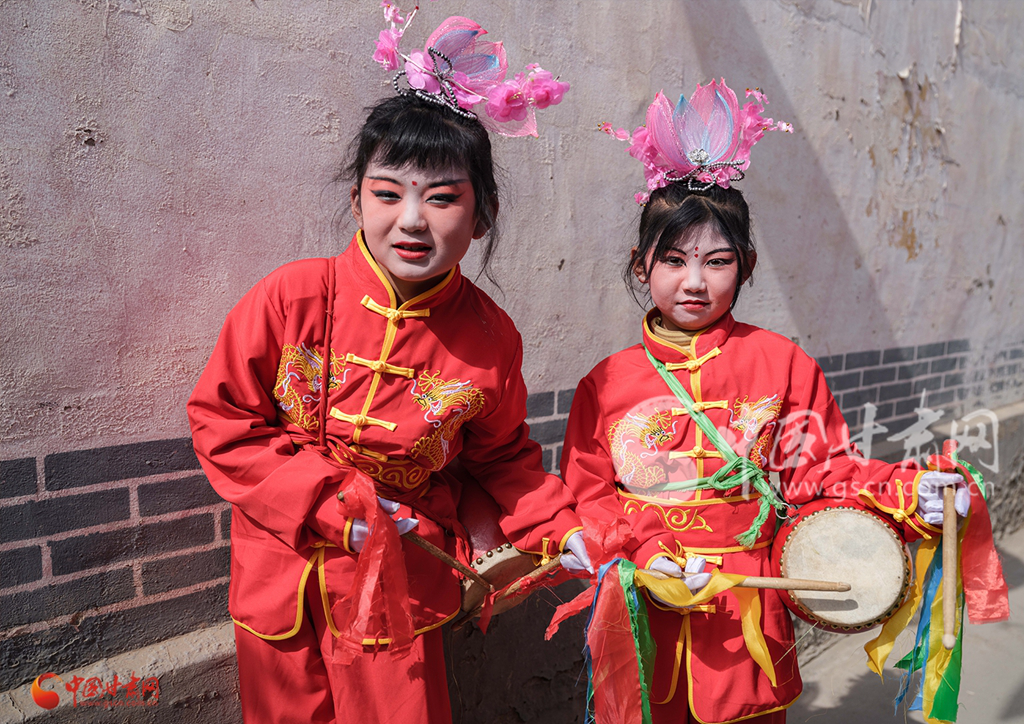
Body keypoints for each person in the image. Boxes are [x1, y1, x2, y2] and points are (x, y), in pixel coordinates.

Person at [187, 10, 590, 724]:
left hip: (401, 588)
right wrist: (329, 506)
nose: (411, 220)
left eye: (442, 198)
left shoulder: (490, 339)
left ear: (482, 215)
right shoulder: (290, 298)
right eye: (388, 192)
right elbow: (225, 424)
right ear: (357, 200)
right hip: (281, 576)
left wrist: (567, 531)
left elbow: (503, 460)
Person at [560, 80, 970, 724]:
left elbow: (823, 470)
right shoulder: (606, 381)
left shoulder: (782, 363)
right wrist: (644, 553)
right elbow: (588, 494)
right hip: (644, 609)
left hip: (745, 609)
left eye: (718, 262)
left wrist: (909, 490)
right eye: (674, 260)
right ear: (642, 266)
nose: (695, 282)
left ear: (746, 267)